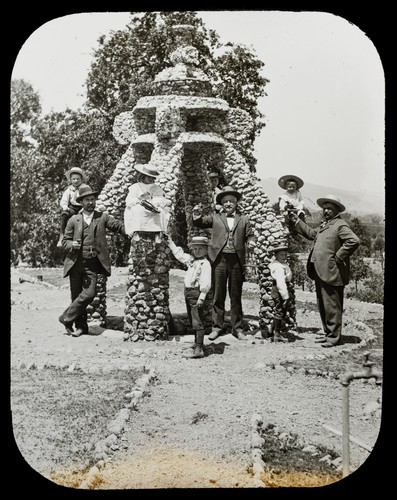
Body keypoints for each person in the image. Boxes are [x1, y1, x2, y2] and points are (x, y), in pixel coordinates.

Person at [288, 194, 360, 348]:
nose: (326, 211)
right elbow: (311, 234)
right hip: (320, 270)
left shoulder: (340, 225)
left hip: (332, 271)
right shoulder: (325, 225)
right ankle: (329, 334)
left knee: (332, 305)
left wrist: (338, 257)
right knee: (324, 305)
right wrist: (296, 221)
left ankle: (334, 337)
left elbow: (354, 241)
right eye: (325, 208)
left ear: (336, 210)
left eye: (330, 209)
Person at [59, 185, 127, 337]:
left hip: (92, 265)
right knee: (76, 296)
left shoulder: (102, 217)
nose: (90, 202)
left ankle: (65, 318)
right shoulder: (73, 220)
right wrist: (72, 244)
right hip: (75, 263)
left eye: (92, 199)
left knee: (89, 294)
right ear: (81, 202)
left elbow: (117, 226)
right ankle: (81, 327)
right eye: (87, 200)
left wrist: (131, 229)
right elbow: (65, 242)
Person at [192, 185, 256, 340]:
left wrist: (251, 241)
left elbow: (250, 235)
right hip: (218, 260)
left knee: (236, 295)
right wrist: (196, 214)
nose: (228, 204)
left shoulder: (244, 219)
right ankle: (217, 327)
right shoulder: (215, 217)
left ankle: (237, 328)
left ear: (236, 203)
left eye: (231, 201)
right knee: (218, 295)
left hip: (236, 260)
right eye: (225, 201)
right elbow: (200, 222)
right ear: (222, 203)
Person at [167, 235, 212, 359]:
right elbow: (179, 254)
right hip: (188, 292)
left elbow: (206, 281)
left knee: (198, 320)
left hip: (196, 293)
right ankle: (196, 342)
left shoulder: (205, 264)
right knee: (192, 319)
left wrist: (202, 296)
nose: (197, 251)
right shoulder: (191, 260)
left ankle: (199, 348)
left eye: (200, 249)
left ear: (206, 250)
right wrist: (170, 242)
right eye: (195, 248)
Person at [124, 163, 171, 243]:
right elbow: (129, 201)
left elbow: (161, 199)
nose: (150, 179)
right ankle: (137, 233)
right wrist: (139, 201)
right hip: (140, 206)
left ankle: (158, 233)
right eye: (148, 177)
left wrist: (155, 202)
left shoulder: (156, 188)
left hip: (152, 207)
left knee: (161, 212)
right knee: (137, 210)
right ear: (143, 176)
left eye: (152, 177)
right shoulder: (135, 187)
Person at [268, 244, 293, 343]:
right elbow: (281, 283)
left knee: (280, 310)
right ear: (276, 256)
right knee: (280, 310)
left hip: (280, 289)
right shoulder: (278, 267)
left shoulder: (282, 265)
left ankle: (272, 328)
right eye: (281, 255)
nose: (284, 257)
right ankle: (277, 334)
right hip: (280, 290)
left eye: (285, 255)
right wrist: (285, 297)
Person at [57, 166, 87, 247]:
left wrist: (84, 208)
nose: (76, 181)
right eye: (73, 179)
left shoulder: (85, 188)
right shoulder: (69, 190)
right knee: (64, 214)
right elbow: (64, 200)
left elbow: (88, 198)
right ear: (71, 180)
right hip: (73, 207)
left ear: (81, 179)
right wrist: (65, 207)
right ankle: (61, 236)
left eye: (78, 179)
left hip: (83, 207)